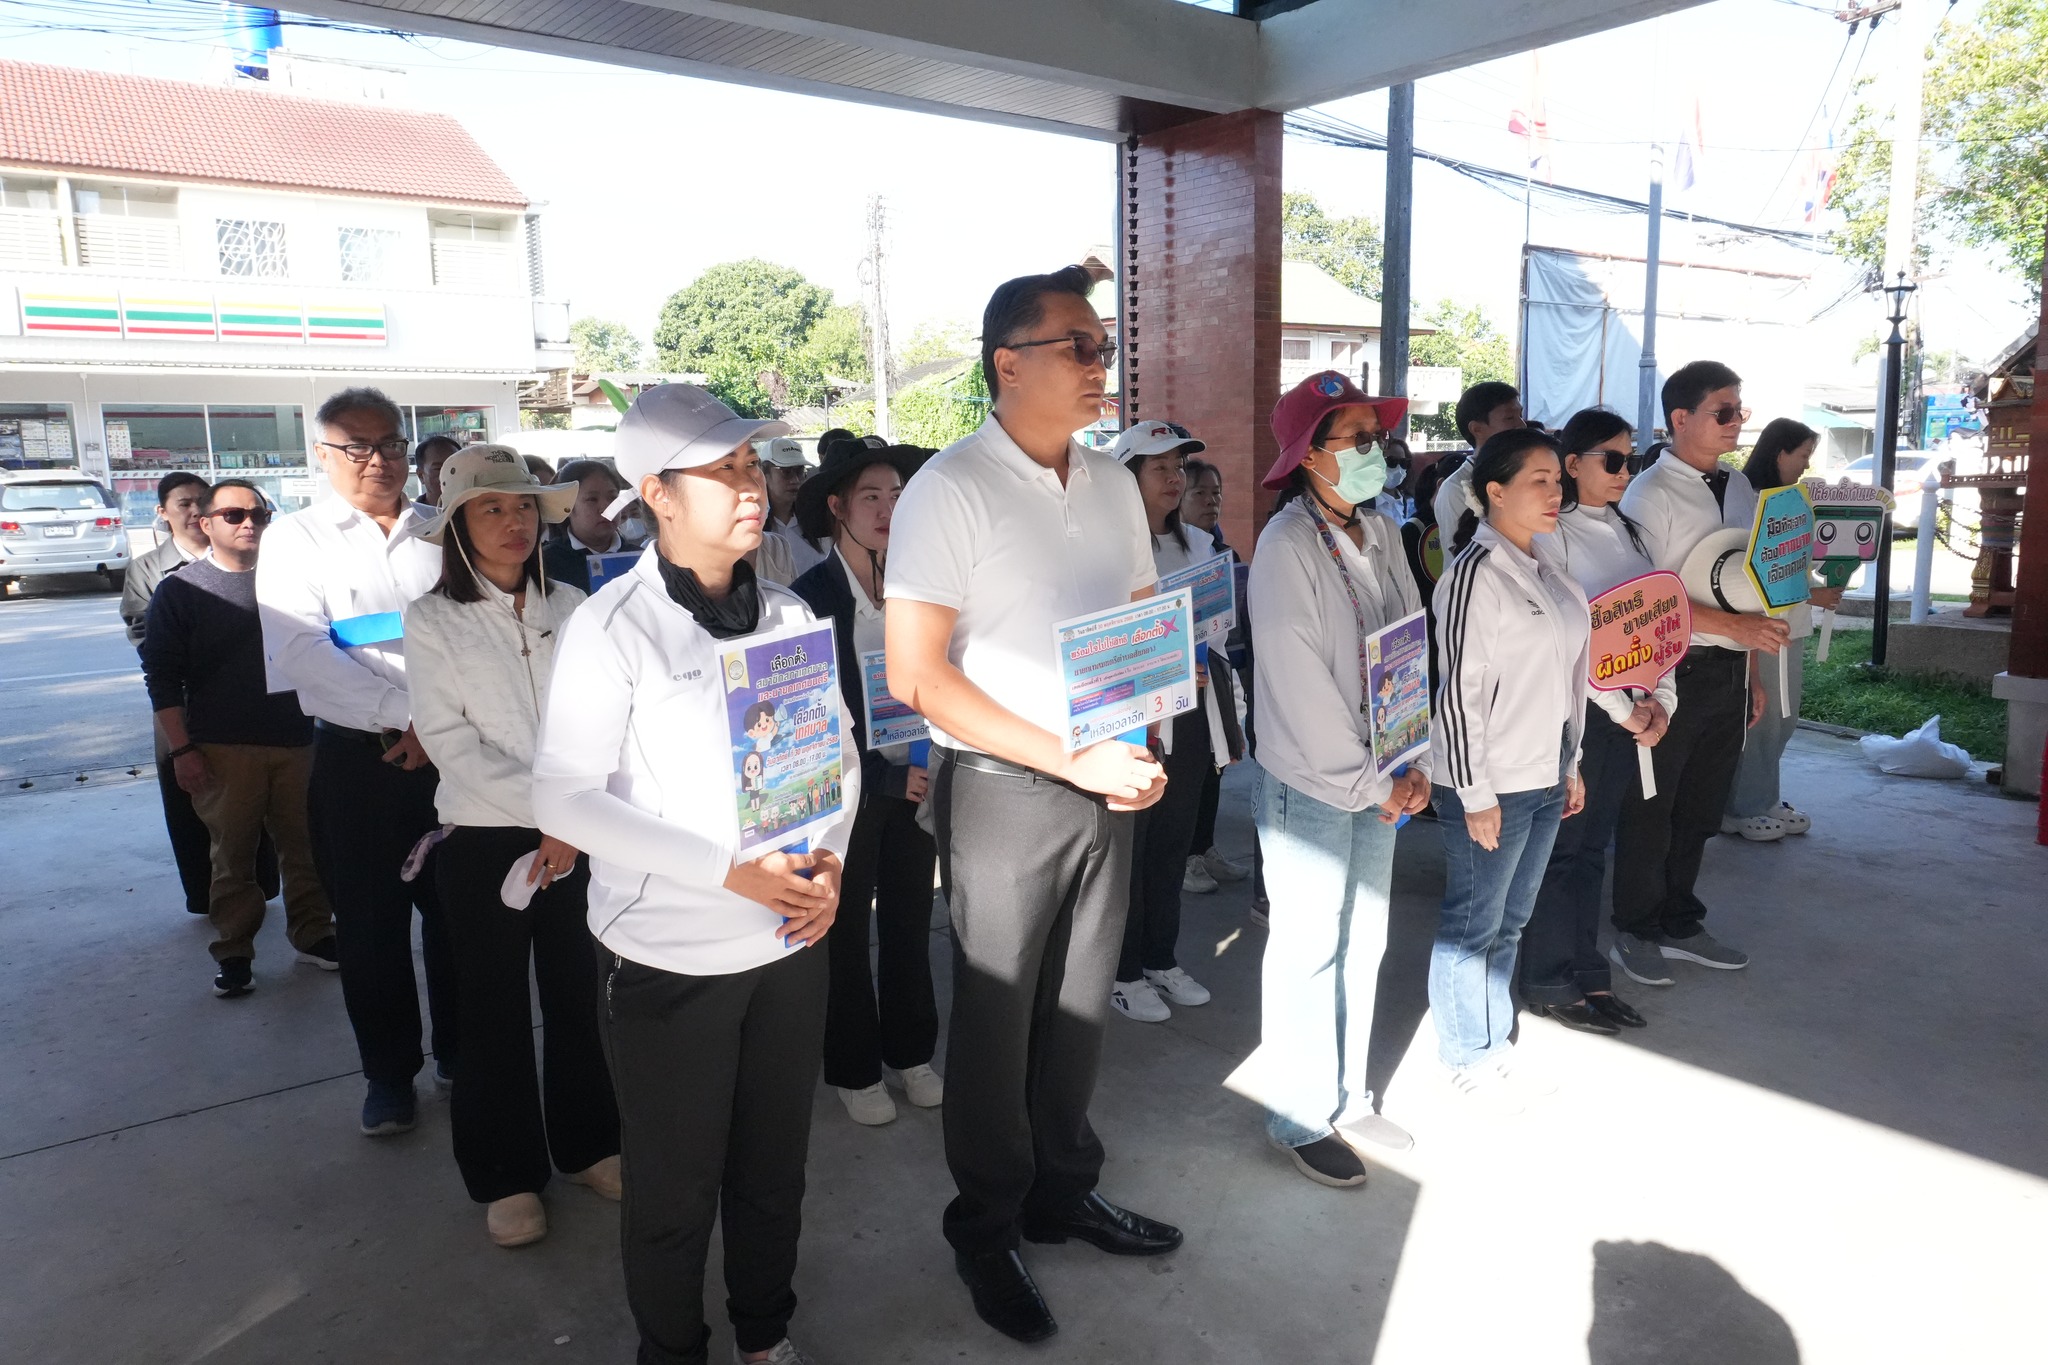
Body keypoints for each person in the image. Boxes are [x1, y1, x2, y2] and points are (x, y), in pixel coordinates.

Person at [533, 384, 856, 1365]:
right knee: (674, 1193)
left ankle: (765, 1333)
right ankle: (671, 1349)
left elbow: (835, 756)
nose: (748, 486)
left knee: (774, 1169)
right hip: (668, 960)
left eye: (750, 464)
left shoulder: (788, 611)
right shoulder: (613, 626)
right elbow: (565, 800)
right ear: (657, 494)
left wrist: (831, 857)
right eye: (719, 470)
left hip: (790, 942)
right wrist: (728, 873)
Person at [886, 265, 1179, 1345]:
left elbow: (1140, 609)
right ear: (1008, 363)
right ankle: (987, 1227)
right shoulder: (948, 486)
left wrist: (1143, 728)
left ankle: (1063, 1191)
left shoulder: (1109, 482)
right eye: (1080, 346)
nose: (1102, 365)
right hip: (1007, 790)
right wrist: (1072, 757)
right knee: (998, 1020)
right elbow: (917, 674)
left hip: (1108, 775)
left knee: (1079, 1008)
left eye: (1105, 347)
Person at [404, 446, 621, 1250]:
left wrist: (574, 820)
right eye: (490, 507)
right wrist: (553, 815)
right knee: (490, 1012)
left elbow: (607, 717)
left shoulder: (575, 604)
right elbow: (450, 740)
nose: (513, 521)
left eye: (523, 505)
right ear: (458, 524)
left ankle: (589, 1144)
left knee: (580, 997)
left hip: (581, 835)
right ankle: (506, 1175)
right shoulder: (432, 618)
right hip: (485, 836)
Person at [256, 386, 459, 1138]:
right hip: (358, 763)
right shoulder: (297, 540)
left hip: (455, 757)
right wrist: (408, 716)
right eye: (358, 446)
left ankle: (460, 1054)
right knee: (371, 930)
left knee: (457, 917)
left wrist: (443, 724)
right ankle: (389, 1075)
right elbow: (300, 651)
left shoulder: (444, 529)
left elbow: (476, 632)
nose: (379, 460)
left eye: (392, 444)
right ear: (323, 453)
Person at [1249, 371, 1431, 1189]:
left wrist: (1412, 758)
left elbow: (1408, 643)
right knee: (1310, 946)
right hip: (1314, 782)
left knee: (1366, 939)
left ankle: (1347, 1095)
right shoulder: (1287, 547)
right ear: (1308, 456)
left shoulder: (1381, 530)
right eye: (1356, 439)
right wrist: (1373, 780)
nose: (1374, 452)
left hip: (1383, 771)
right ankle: (1298, 1112)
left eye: (1376, 437)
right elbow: (1299, 688)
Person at [1612, 362, 1788, 986]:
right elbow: (1644, 600)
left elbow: (1751, 586)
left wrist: (1753, 670)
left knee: (1701, 808)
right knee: (1651, 808)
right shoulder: (1649, 494)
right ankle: (1635, 927)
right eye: (1724, 411)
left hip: (1728, 673)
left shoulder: (1739, 487)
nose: (1736, 422)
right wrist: (1735, 629)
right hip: (1668, 672)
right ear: (1680, 419)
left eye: (1740, 410)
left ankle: (1681, 920)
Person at [1429, 428, 1590, 1112]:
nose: (1556, 493)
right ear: (1495, 491)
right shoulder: (1475, 575)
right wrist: (1474, 794)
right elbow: (1456, 693)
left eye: (1558, 480)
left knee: (1511, 921)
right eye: (1538, 481)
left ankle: (1491, 1042)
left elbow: (1567, 679)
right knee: (1473, 922)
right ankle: (1467, 1053)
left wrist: (1572, 762)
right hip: (1492, 782)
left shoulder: (1546, 569)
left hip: (1545, 774)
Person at [790, 439, 943, 1127]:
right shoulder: (808, 599)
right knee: (846, 931)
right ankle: (854, 1067)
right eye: (871, 497)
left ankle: (912, 1053)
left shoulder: (920, 587)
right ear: (837, 507)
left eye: (898, 496)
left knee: (910, 921)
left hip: (920, 781)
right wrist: (881, 774)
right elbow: (807, 715)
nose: (887, 510)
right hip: (851, 796)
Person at [140, 479, 333, 998]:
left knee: (306, 848)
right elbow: (161, 677)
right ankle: (234, 951)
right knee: (233, 857)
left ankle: (314, 934)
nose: (249, 523)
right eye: (233, 515)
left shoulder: (292, 583)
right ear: (205, 523)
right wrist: (182, 749)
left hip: (298, 738)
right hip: (223, 747)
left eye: (259, 514)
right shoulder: (180, 591)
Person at [1519, 409, 1670, 1037]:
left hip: (1629, 718)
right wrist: (1624, 709)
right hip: (1575, 717)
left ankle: (1589, 972)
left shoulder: (1634, 534)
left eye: (1630, 458)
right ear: (1572, 463)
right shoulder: (1552, 536)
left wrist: (1661, 701)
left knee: (1592, 852)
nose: (1624, 470)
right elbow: (1566, 643)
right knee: (1560, 852)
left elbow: (1660, 624)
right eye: (1611, 459)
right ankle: (1549, 979)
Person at [1104, 420, 1222, 1024]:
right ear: (1127, 477)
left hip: (1190, 716)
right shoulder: (1106, 550)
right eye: (1159, 468)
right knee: (1132, 851)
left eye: (1178, 468)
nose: (1174, 479)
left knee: (1172, 844)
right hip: (1133, 723)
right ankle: (1122, 971)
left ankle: (1160, 958)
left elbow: (1216, 626)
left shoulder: (1198, 544)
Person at [124, 470, 277, 915]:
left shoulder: (269, 566)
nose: (192, 511)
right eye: (184, 504)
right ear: (164, 513)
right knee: (197, 812)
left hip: (254, 710)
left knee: (269, 817)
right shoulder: (154, 573)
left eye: (199, 501)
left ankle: (269, 894)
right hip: (185, 707)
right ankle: (212, 906)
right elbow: (151, 647)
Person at [1724, 417, 1832, 841]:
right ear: (1779, 453)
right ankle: (1737, 808)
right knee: (1761, 717)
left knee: (1784, 719)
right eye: (1803, 454)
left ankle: (1764, 798)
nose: (1806, 464)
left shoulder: (1794, 502)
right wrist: (1811, 594)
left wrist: (1817, 589)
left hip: (1794, 626)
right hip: (1761, 627)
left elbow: (1796, 564)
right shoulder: (1751, 503)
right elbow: (1757, 574)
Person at [1174, 456, 1251, 896]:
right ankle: (1184, 856)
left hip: (1217, 674)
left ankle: (1205, 847)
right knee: (1185, 771)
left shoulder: (1223, 553)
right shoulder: (1164, 552)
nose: (1210, 501)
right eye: (1199, 493)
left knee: (1214, 765)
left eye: (1216, 493)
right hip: (1180, 681)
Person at [1430, 381, 1527, 535]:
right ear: (1476, 429)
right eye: (1510, 418)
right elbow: (1460, 547)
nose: (1522, 425)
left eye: (1520, 415)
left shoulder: (1523, 475)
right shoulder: (1455, 489)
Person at [542, 459, 641, 592]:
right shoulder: (546, 562)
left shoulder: (641, 559)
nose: (606, 508)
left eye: (612, 497)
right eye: (592, 499)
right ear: (567, 507)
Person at [760, 435, 827, 580]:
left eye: (799, 471)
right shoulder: (754, 527)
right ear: (764, 475)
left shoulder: (818, 522)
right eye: (786, 472)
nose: (795, 480)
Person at [414, 433, 463, 508]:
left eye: (455, 467)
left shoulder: (476, 511)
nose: (449, 474)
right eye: (439, 468)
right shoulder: (411, 514)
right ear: (421, 476)